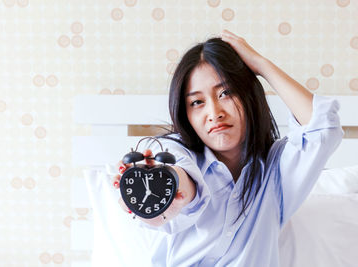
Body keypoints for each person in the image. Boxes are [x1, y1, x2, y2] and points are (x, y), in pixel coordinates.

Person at [112, 30, 343, 266]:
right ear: (186, 114)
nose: (215, 113)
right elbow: (180, 174)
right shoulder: (175, 151)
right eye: (197, 102)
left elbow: (323, 127)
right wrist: (166, 189)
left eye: (226, 93)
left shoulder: (277, 172)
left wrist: (261, 65)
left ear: (248, 96)